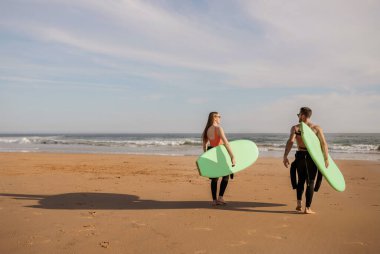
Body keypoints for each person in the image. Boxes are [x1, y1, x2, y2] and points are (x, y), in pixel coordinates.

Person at [283, 107, 329, 214]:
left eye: (299, 114)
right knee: (311, 181)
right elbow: (323, 144)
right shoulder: (316, 128)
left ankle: (299, 204)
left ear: (303, 115)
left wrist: (285, 155)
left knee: (301, 180)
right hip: (311, 158)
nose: (298, 116)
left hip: (300, 156)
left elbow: (290, 141)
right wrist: (326, 158)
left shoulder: (296, 128)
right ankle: (307, 208)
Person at [202, 112, 236, 206]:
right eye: (219, 116)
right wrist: (232, 156)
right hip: (220, 152)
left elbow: (204, 145)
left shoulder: (207, 130)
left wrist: (206, 156)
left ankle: (214, 200)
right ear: (214, 118)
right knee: (226, 176)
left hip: (211, 152)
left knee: (214, 178)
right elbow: (226, 143)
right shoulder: (218, 128)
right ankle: (220, 198)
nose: (220, 118)